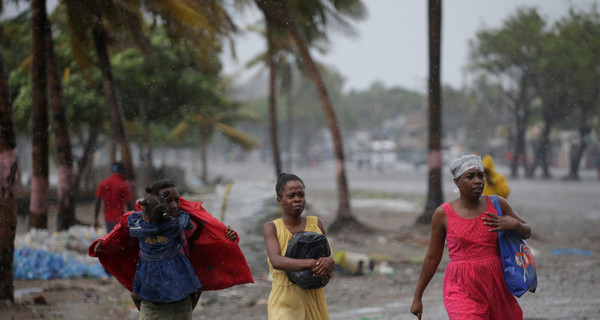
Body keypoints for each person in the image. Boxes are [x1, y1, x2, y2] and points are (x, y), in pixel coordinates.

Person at [88, 179, 253, 316]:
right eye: (169, 201)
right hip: (154, 283)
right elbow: (119, 235)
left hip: (178, 284)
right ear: (156, 203)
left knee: (192, 291)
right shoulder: (146, 221)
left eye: (177, 200)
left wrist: (226, 234)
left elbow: (209, 233)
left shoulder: (181, 222)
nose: (174, 205)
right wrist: (104, 244)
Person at [410, 154, 531, 320]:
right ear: (457, 181)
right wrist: (418, 296)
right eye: (470, 176)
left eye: (481, 175)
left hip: (496, 283)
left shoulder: (498, 204)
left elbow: (527, 231)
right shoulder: (443, 214)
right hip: (460, 285)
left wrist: (514, 225)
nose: (478, 180)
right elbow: (432, 256)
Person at [263, 173, 335, 319]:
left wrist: (330, 262)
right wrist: (310, 263)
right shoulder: (272, 228)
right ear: (280, 200)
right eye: (291, 195)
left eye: (301, 194)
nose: (297, 199)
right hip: (285, 301)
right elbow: (277, 261)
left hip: (313, 298)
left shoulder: (316, 224)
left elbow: (326, 258)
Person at [128, 193, 202, 319]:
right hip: (176, 268)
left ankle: (147, 313)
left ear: (147, 218)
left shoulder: (140, 229)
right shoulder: (173, 226)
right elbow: (187, 220)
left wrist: (143, 205)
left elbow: (132, 219)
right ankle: (187, 311)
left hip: (150, 271)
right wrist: (171, 215)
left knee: (138, 295)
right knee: (195, 288)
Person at [94, 162, 133, 234]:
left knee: (110, 239)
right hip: (120, 219)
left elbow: (98, 201)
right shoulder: (124, 185)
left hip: (108, 219)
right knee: (120, 240)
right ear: (122, 171)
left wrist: (95, 218)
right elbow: (129, 204)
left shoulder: (103, 183)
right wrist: (133, 218)